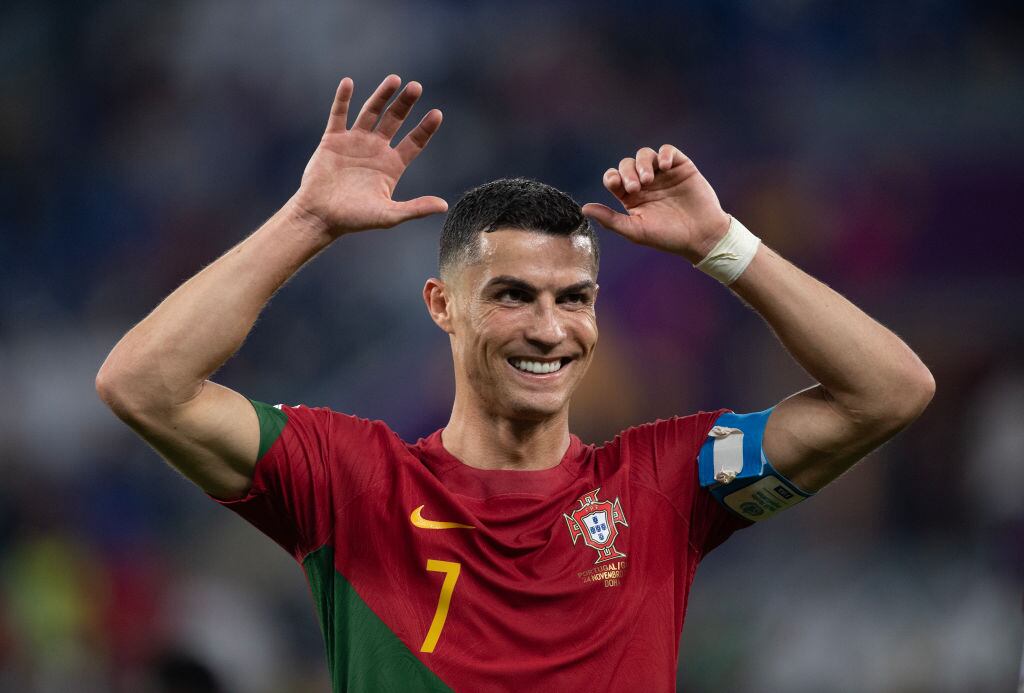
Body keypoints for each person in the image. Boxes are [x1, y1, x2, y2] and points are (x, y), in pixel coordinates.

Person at [95, 75, 935, 692]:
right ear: (442, 306)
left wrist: (723, 245)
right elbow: (144, 383)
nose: (549, 328)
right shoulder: (350, 481)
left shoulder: (667, 482)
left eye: (574, 299)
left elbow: (889, 390)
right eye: (512, 295)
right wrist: (307, 222)